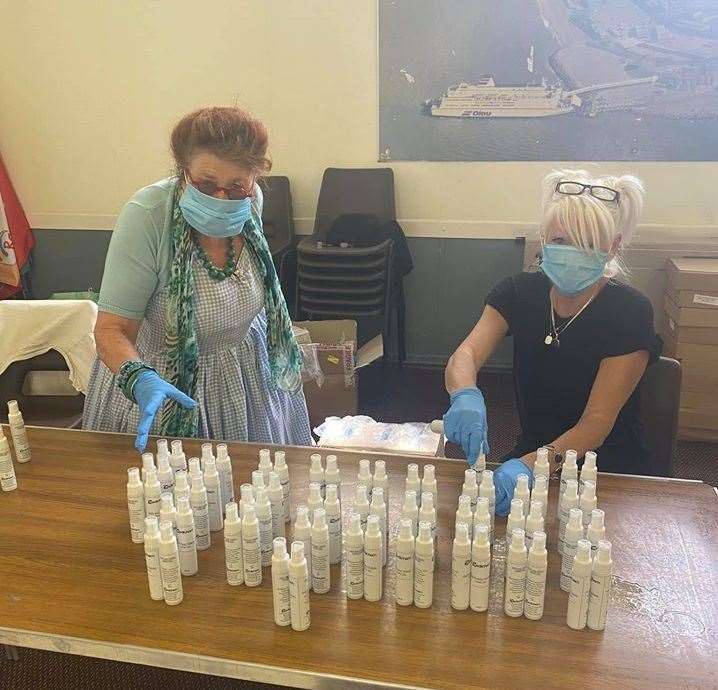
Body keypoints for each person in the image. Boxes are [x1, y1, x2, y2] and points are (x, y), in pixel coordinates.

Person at [83, 106, 312, 452]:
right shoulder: (148, 216)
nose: (222, 197)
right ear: (183, 172)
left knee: (254, 490)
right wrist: (138, 378)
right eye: (207, 184)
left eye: (236, 185)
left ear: (254, 179)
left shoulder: (251, 203)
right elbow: (111, 329)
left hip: (246, 375)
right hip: (166, 384)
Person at [443, 169, 661, 514]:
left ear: (613, 247)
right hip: (533, 451)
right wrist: (465, 394)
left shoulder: (629, 311)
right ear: (543, 241)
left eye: (586, 243)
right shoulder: (518, 292)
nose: (571, 252)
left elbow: (596, 423)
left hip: (606, 469)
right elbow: (466, 353)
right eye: (560, 241)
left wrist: (531, 467)